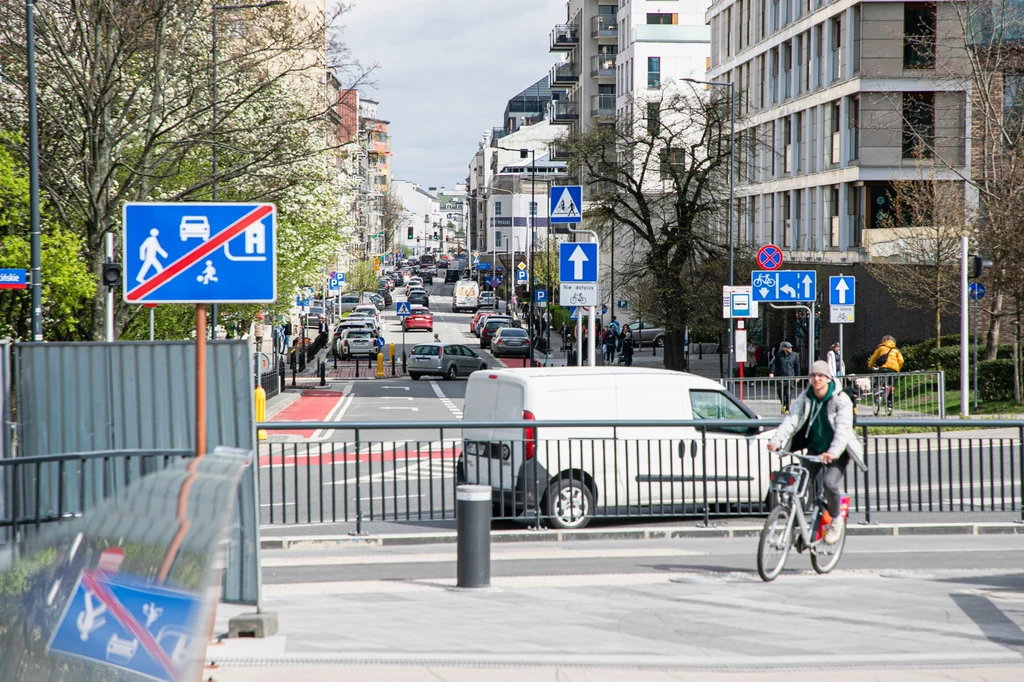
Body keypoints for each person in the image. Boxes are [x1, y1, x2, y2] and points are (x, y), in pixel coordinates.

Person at [767, 360, 866, 545]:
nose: (816, 379)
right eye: (813, 376)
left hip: (838, 451)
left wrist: (833, 452)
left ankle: (836, 520)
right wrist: (776, 440)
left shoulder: (840, 399)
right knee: (799, 485)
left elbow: (843, 429)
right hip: (815, 447)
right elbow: (791, 419)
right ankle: (797, 528)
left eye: (821, 376)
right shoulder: (806, 396)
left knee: (829, 483)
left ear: (828, 378)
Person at [867, 335, 905, 408]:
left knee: (878, 378)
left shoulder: (881, 348)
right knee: (890, 385)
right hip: (893, 370)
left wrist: (870, 366)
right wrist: (897, 370)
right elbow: (901, 361)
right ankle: (890, 402)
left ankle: (879, 389)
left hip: (883, 368)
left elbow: (873, 358)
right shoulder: (896, 350)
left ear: (883, 341)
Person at [769, 341, 800, 413]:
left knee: (788, 393)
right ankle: (784, 404)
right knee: (780, 391)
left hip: (790, 377)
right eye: (789, 348)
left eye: (791, 348)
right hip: (781, 377)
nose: (790, 349)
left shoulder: (794, 355)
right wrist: (771, 372)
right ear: (785, 349)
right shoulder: (779, 355)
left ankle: (787, 409)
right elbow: (774, 364)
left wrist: (797, 376)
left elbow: (797, 366)